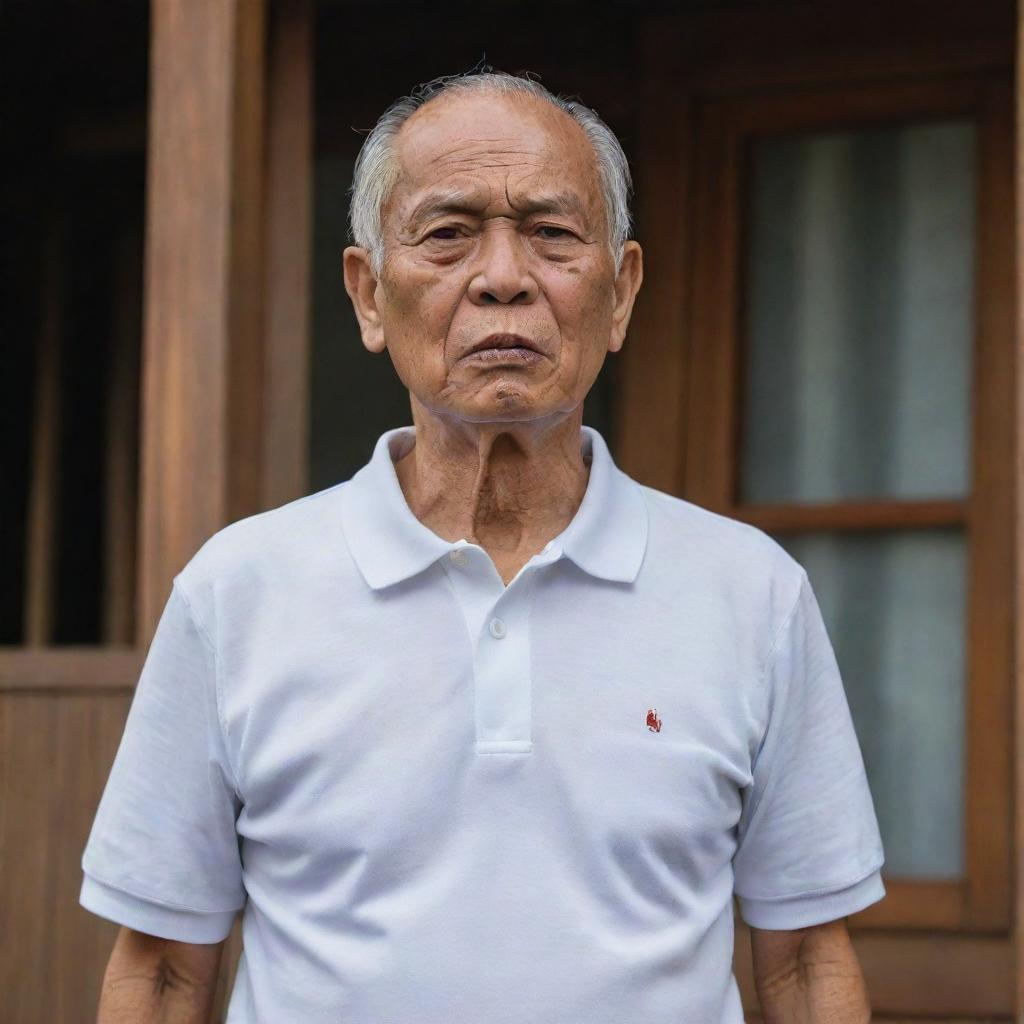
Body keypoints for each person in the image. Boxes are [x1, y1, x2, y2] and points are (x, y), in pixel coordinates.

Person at [81, 68, 885, 1023]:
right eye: (448, 234)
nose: (503, 277)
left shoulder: (751, 593)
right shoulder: (236, 593)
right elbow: (165, 967)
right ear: (369, 295)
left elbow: (801, 961)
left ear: (619, 293)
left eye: (551, 233)